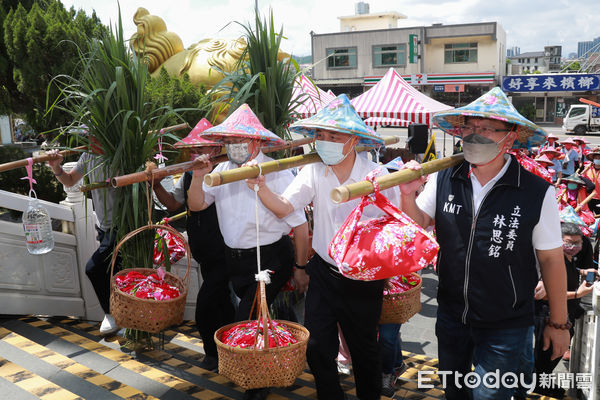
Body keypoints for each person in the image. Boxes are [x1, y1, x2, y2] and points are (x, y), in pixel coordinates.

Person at [399, 87, 570, 400]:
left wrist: (559, 325)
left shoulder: (536, 192)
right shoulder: (444, 178)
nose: (475, 136)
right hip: (452, 316)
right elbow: (416, 226)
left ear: (510, 137)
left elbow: (551, 260)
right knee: (455, 392)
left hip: (507, 324)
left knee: (490, 396)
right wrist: (407, 193)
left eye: (488, 129)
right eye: (470, 128)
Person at [246, 94, 401, 400]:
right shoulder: (315, 170)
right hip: (324, 273)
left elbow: (391, 225)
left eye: (334, 135)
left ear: (353, 140)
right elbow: (284, 206)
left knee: (364, 349)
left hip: (363, 279)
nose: (325, 141)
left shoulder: (375, 176)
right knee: (317, 346)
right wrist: (261, 187)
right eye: (320, 134)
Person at [189, 104, 309, 400]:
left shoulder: (275, 172)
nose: (233, 146)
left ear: (256, 142)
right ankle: (275, 361)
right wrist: (197, 176)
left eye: (239, 140)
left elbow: (301, 225)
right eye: (228, 141)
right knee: (259, 314)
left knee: (248, 317)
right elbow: (197, 204)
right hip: (235, 260)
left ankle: (257, 385)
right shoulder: (221, 171)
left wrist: (300, 266)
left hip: (269, 258)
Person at [152, 119, 234, 372]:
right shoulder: (188, 175)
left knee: (207, 304)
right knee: (221, 302)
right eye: (192, 150)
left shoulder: (228, 173)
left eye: (201, 149)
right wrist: (155, 185)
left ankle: (212, 352)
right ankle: (227, 350)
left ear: (215, 150)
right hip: (203, 251)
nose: (195, 154)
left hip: (227, 250)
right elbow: (174, 205)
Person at [47, 143, 121, 335]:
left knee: (95, 268)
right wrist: (56, 167)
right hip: (104, 226)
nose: (89, 139)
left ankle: (115, 315)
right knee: (110, 272)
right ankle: (117, 315)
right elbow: (70, 181)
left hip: (123, 225)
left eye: (92, 135)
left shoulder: (120, 151)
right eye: (87, 135)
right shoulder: (88, 156)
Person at [532, 222, 598, 398]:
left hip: (564, 316)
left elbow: (571, 270)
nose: (573, 247)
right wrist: (578, 293)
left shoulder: (570, 259)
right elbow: (543, 295)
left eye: (578, 243)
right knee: (546, 356)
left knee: (552, 356)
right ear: (558, 241)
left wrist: (584, 272)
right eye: (569, 243)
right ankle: (538, 389)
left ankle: (543, 385)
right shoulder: (552, 262)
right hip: (548, 317)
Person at [581, 147, 600, 213]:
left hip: (599, 199)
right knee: (589, 217)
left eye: (599, 158)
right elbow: (582, 180)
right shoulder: (587, 169)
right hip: (588, 198)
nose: (597, 160)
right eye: (596, 158)